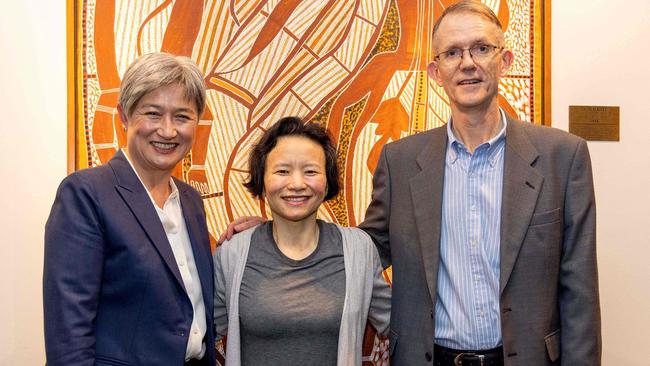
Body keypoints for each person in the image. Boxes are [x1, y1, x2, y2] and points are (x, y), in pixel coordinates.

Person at [221, 2, 601, 365]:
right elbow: (369, 246)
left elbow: (579, 288)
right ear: (436, 73)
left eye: (481, 48)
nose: (467, 63)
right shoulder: (401, 161)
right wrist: (280, 230)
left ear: (504, 60)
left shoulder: (562, 157)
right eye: (452, 53)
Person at [44, 52, 216, 366]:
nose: (167, 130)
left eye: (182, 116)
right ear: (124, 116)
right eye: (153, 113)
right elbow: (68, 335)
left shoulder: (191, 202)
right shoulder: (87, 194)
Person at [213, 117, 391, 366]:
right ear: (262, 180)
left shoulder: (359, 249)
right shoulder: (232, 253)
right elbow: (202, 333)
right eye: (282, 171)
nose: (297, 184)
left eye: (310, 171)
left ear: (327, 180)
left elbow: (400, 327)